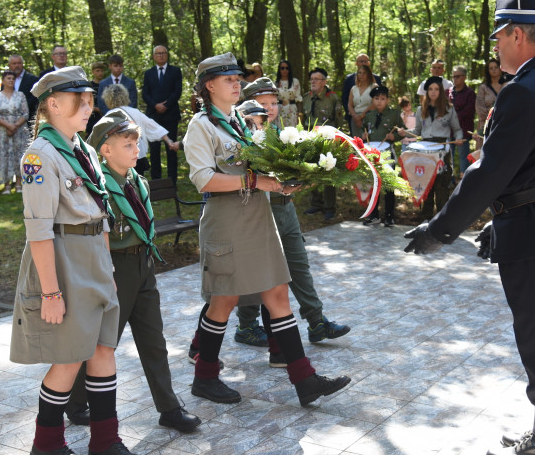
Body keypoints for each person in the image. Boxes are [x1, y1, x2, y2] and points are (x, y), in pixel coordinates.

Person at [404, 0, 535, 455]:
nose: (495, 49)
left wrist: (440, 229)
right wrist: (499, 218)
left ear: (516, 34)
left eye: (498, 37)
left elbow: (490, 171)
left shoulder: (524, 91)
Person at [183, 53, 350, 406]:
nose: (236, 83)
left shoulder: (237, 122)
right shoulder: (202, 125)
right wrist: (256, 180)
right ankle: (205, 377)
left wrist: (281, 181)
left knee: (277, 295)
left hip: (257, 219)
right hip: (227, 223)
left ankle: (305, 380)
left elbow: (256, 167)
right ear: (209, 85)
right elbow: (203, 179)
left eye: (237, 78)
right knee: (223, 301)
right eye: (228, 79)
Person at [10, 67, 144, 455]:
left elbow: (100, 210)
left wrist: (107, 269)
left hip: (94, 257)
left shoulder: (81, 148)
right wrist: (50, 292)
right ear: (52, 103)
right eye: (79, 99)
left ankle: (105, 440)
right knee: (69, 357)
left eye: (90, 99)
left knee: (104, 349)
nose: (89, 106)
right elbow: (39, 230)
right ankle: (46, 443)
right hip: (64, 259)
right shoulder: (40, 155)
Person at [78, 109, 202, 434]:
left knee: (153, 340)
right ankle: (75, 399)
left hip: (143, 264)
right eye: (129, 144)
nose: (137, 150)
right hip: (115, 267)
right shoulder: (98, 187)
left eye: (137, 143)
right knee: (103, 342)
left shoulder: (137, 181)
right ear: (105, 150)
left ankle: (169, 407)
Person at [228, 77, 351, 347]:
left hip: (285, 210)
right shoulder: (241, 138)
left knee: (299, 265)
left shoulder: (281, 134)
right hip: (259, 214)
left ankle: (317, 322)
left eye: (274, 103)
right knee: (258, 273)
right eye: (263, 104)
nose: (270, 109)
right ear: (247, 107)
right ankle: (246, 325)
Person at [101, 83, 179, 175]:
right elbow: (154, 127)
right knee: (138, 185)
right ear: (125, 96)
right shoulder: (135, 112)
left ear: (107, 99)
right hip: (138, 158)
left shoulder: (108, 117)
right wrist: (169, 141)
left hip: (118, 161)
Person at [415, 75, 463, 218]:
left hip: (442, 151)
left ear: (441, 91)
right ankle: (426, 219)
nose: (433, 92)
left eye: (436, 89)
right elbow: (417, 131)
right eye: (430, 89)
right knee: (426, 186)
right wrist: (403, 132)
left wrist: (459, 138)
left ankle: (442, 221)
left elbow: (458, 129)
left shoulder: (449, 109)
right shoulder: (420, 110)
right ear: (427, 92)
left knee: (441, 187)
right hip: (425, 152)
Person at [302, 67, 343, 220]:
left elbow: (338, 120)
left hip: (328, 140)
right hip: (311, 139)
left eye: (316, 79)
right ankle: (316, 203)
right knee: (313, 171)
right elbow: (305, 120)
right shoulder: (306, 98)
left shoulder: (332, 98)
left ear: (324, 82)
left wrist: (337, 141)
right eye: (311, 79)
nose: (313, 82)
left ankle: (329, 206)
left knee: (328, 172)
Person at [361, 84, 406, 226]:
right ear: (373, 100)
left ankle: (389, 216)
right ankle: (374, 215)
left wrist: (395, 137)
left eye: (382, 98)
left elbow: (402, 131)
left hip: (387, 153)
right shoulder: (368, 116)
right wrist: (364, 136)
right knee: (373, 184)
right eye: (376, 98)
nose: (379, 101)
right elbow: (365, 132)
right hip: (372, 154)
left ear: (387, 100)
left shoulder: (394, 114)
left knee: (388, 184)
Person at [141, 45, 183, 183]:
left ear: (167, 55)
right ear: (153, 56)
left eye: (163, 53)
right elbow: (145, 93)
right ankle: (156, 180)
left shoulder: (175, 71)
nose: (160, 56)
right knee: (154, 149)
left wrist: (166, 105)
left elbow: (177, 91)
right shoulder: (148, 73)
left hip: (170, 115)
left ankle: (172, 181)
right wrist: (155, 105)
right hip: (153, 116)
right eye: (158, 54)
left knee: (171, 148)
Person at [0, 69, 30, 193]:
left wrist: (15, 126)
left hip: (19, 130)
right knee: (4, 155)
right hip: (2, 131)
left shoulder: (21, 95)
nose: (11, 81)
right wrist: (8, 126)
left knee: (19, 155)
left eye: (13, 78)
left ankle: (19, 184)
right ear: (3, 81)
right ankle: (6, 185)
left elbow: (25, 113)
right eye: (8, 78)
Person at [450, 66, 476, 175]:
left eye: (458, 76)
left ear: (464, 77)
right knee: (448, 158)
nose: (455, 79)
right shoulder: (449, 92)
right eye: (453, 76)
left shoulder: (470, 93)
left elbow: (469, 112)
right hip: (449, 131)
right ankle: (449, 182)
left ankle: (463, 182)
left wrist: (452, 117)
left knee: (463, 158)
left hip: (463, 131)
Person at [474, 59, 503, 147]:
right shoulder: (483, 88)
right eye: (491, 68)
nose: (494, 70)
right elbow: (479, 109)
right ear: (488, 70)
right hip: (485, 126)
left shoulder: (507, 85)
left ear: (500, 68)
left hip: (504, 124)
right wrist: (494, 116)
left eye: (496, 67)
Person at [348, 63, 377, 138]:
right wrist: (355, 116)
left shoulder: (374, 87)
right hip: (355, 118)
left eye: (364, 73)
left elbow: (374, 104)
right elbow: (350, 105)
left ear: (369, 74)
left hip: (370, 118)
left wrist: (362, 116)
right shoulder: (354, 88)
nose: (361, 75)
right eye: (359, 73)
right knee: (357, 142)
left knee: (369, 142)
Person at [8, 53, 39, 120]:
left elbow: (34, 98)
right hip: (10, 120)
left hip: (28, 119)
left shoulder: (32, 79)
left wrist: (20, 109)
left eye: (19, 63)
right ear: (9, 65)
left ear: (22, 64)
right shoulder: (6, 80)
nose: (17, 65)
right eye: (14, 63)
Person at [275, 60, 301, 127]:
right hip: (279, 109)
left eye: (287, 68)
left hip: (292, 109)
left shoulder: (295, 82)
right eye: (282, 68)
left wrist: (300, 114)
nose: (285, 70)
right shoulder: (275, 83)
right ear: (279, 69)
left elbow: (299, 98)